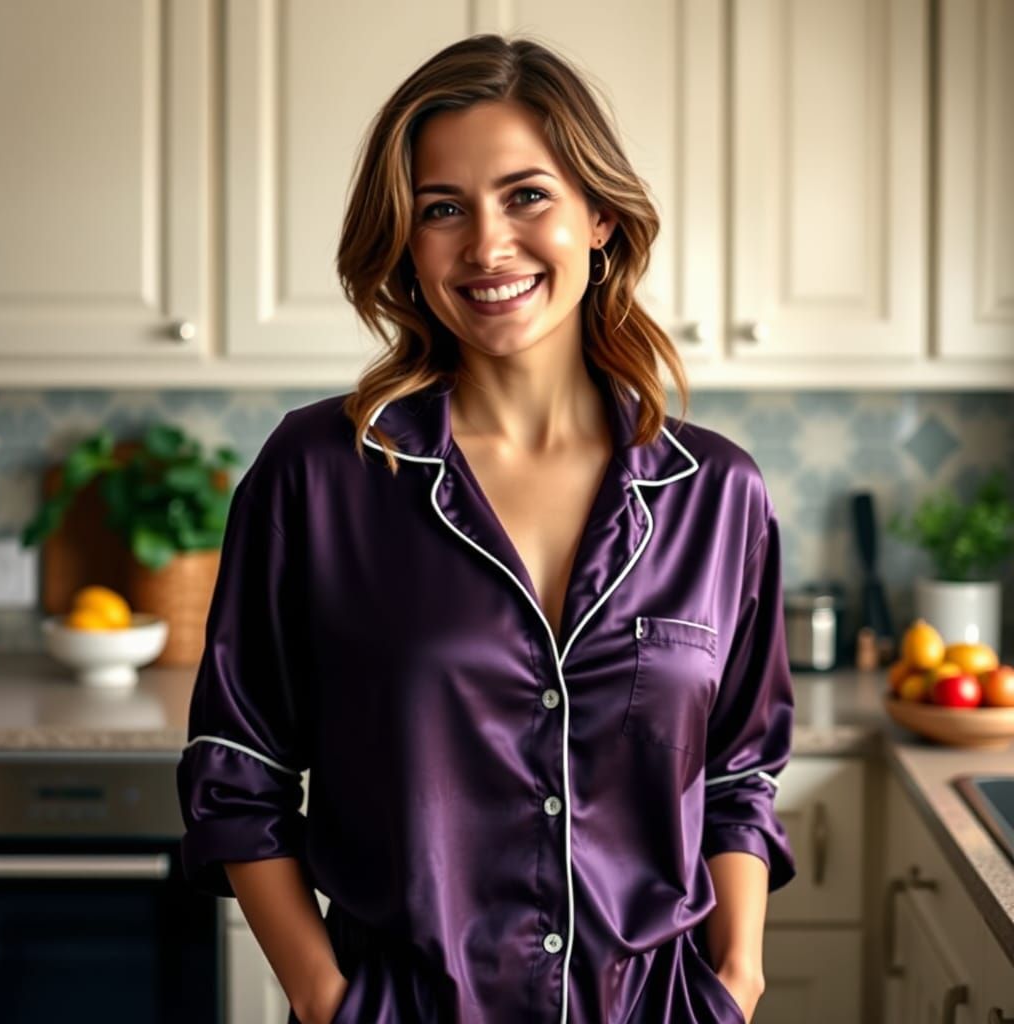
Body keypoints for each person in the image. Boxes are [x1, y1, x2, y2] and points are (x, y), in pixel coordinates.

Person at [176, 33, 796, 1024]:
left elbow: (738, 771)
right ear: (405, 243)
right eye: (441, 209)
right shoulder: (318, 475)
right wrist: (323, 994)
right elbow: (236, 772)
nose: (486, 245)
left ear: (598, 217)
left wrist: (739, 974)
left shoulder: (714, 492)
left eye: (526, 195)